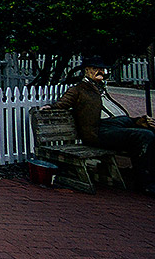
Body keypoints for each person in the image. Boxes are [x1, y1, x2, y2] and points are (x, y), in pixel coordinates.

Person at [46, 56, 155, 195]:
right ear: (86, 71)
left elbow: (114, 112)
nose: (100, 72)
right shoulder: (79, 89)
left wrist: (137, 121)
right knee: (144, 136)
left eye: (101, 69)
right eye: (95, 69)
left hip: (120, 124)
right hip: (100, 131)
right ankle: (144, 183)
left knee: (150, 129)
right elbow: (63, 103)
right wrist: (50, 107)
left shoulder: (102, 88)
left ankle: (148, 176)